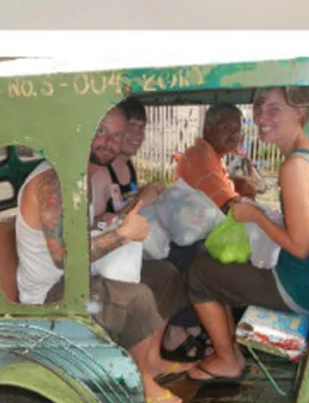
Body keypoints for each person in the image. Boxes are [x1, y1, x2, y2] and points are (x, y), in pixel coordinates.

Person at [17, 105, 187, 403]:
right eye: (100, 130)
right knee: (136, 298)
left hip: (78, 277)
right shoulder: (53, 180)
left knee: (165, 275)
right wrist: (122, 234)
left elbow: (80, 231)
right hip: (50, 293)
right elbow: (64, 257)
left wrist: (112, 221)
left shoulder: (81, 176)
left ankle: (152, 360)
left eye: (117, 135)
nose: (108, 141)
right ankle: (143, 384)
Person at [182, 87, 309, 384]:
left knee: (199, 273)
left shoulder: (295, 167)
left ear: (300, 112)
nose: (261, 118)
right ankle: (229, 350)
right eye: (258, 109)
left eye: (274, 109)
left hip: (296, 287)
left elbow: (300, 247)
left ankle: (228, 360)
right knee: (222, 267)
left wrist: (255, 216)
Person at [89, 97, 162, 224]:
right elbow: (92, 228)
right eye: (131, 126)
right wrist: (139, 202)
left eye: (141, 128)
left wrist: (146, 192)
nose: (137, 135)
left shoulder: (128, 165)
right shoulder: (100, 173)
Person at [175, 103, 258, 212]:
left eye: (237, 130)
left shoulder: (213, 156)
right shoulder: (199, 156)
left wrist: (235, 184)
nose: (234, 135)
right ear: (207, 129)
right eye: (227, 128)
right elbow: (228, 207)